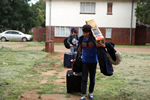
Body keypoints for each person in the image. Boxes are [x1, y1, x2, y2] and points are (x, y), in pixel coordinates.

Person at [78, 24, 105, 100]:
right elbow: (79, 48)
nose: (85, 34)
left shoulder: (94, 39)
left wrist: (103, 45)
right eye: (84, 32)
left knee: (92, 78)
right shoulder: (81, 38)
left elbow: (102, 44)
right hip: (84, 61)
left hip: (93, 61)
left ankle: (90, 93)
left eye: (86, 32)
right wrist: (77, 57)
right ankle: (83, 95)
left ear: (90, 32)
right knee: (84, 78)